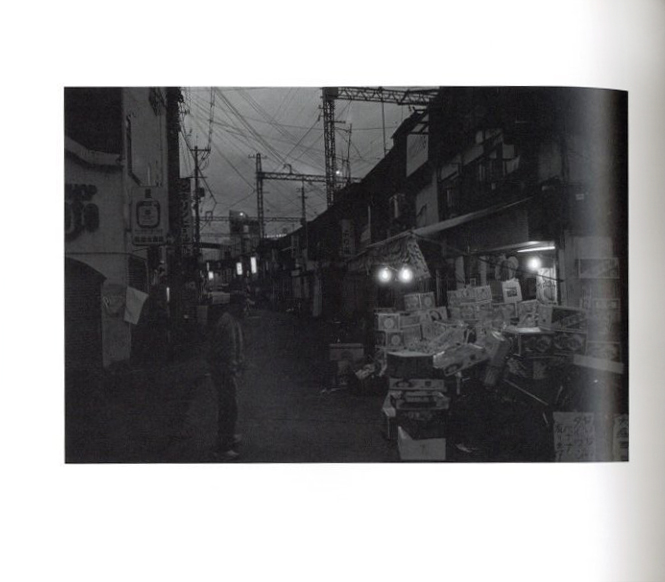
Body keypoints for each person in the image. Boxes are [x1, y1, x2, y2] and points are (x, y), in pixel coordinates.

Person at [207, 291, 246, 461]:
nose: (245, 309)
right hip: (224, 371)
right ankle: (222, 447)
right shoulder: (228, 322)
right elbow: (227, 350)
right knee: (228, 408)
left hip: (224, 370)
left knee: (230, 407)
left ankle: (228, 437)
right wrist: (233, 368)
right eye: (243, 305)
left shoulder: (230, 320)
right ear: (235, 305)